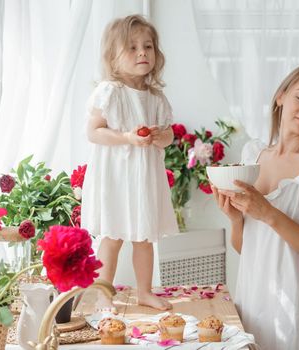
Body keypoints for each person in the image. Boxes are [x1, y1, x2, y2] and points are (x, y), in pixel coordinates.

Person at [212, 64, 299, 349]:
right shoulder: (254, 156)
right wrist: (236, 219)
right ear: (281, 96)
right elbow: (248, 247)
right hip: (257, 300)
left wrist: (267, 213)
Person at [81, 14, 178, 311]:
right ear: (113, 56)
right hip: (117, 176)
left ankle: (145, 291)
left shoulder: (156, 97)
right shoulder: (111, 92)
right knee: (112, 237)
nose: (142, 53)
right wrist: (126, 137)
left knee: (144, 237)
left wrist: (160, 136)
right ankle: (102, 294)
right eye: (132, 47)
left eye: (148, 47)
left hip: (143, 178)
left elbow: (169, 136)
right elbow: (94, 132)